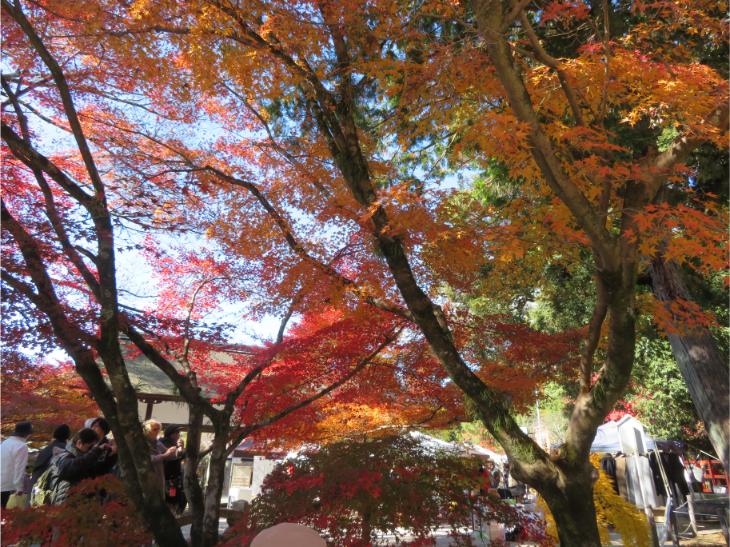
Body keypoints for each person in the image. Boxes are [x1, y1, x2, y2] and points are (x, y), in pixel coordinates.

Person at [49, 428, 116, 505]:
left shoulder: (86, 459)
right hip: (66, 506)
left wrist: (111, 455)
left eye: (93, 448)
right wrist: (96, 451)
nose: (91, 451)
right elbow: (70, 468)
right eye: (90, 447)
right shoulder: (61, 455)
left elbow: (99, 472)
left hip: (82, 506)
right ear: (79, 443)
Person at [1, 421, 32, 508]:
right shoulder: (21, 446)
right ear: (28, 434)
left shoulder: (5, 443)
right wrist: (19, 488)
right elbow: (19, 468)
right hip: (9, 487)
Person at [143, 420, 178, 495]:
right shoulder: (142, 442)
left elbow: (170, 456)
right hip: (148, 475)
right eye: (154, 429)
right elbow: (147, 459)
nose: (157, 432)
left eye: (158, 429)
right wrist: (165, 455)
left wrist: (171, 452)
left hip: (162, 475)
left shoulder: (157, 442)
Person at [160, 425, 187, 515]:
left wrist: (182, 448)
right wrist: (179, 450)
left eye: (178, 433)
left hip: (174, 479)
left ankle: (173, 511)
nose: (178, 435)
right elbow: (171, 457)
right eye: (176, 433)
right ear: (170, 434)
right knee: (169, 498)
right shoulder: (162, 443)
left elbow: (183, 457)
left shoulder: (175, 444)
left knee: (174, 497)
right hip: (165, 477)